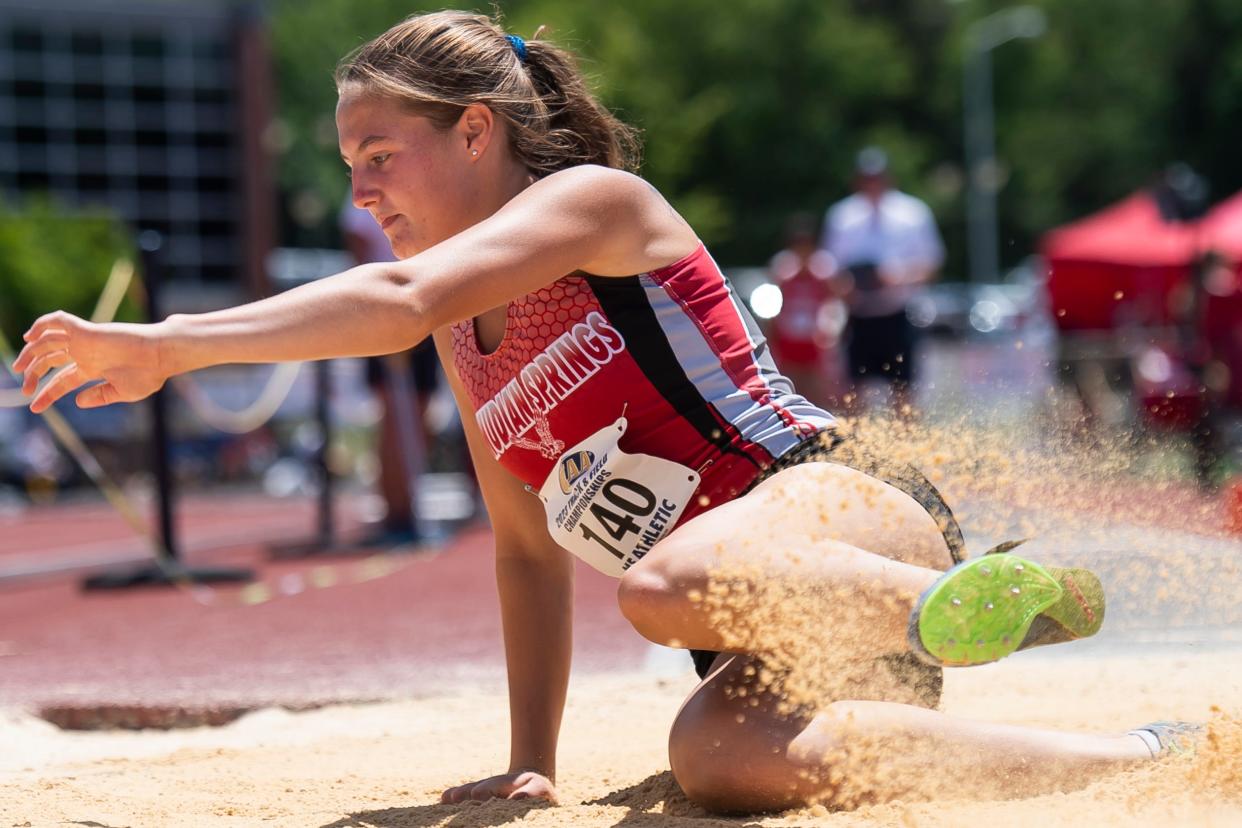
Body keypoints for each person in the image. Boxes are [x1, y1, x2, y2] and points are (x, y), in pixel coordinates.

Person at [12, 11, 1192, 814]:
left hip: (840, 514)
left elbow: (399, 295)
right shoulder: (464, 354)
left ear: (475, 131)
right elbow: (526, 557)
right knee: (716, 759)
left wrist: (167, 344)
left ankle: (971, 597)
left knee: (660, 586)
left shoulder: (595, 204)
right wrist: (532, 763)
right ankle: (1118, 757)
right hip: (762, 615)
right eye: (348, 162)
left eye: (380, 154)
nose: (359, 190)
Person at [341, 198, 440, 542]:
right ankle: (395, 512)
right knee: (396, 415)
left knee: (420, 412)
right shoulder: (364, 192)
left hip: (426, 306)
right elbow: (357, 244)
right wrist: (378, 308)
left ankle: (407, 504)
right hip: (388, 309)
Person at [822, 147, 943, 416]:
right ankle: (856, 453)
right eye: (867, 177)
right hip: (859, 314)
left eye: (877, 177)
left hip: (898, 312)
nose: (872, 183)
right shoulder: (842, 217)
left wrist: (896, 277)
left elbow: (931, 265)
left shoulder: (913, 213)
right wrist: (846, 287)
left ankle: (906, 453)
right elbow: (829, 268)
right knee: (853, 394)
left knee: (904, 393)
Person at [766, 213, 846, 409]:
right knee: (789, 383)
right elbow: (773, 302)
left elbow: (835, 301)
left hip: (814, 336)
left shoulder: (824, 267)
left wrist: (831, 330)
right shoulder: (782, 266)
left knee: (818, 387)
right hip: (788, 335)